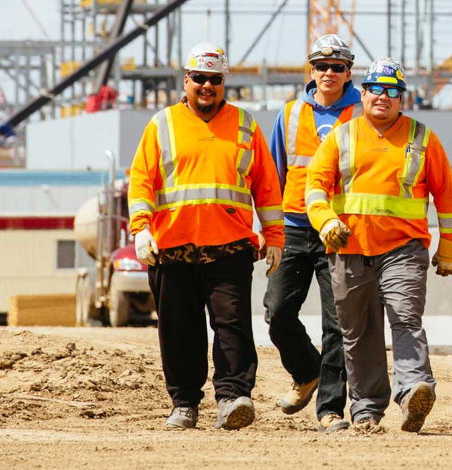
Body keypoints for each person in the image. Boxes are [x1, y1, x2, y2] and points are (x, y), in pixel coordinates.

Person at [128, 42, 284, 430]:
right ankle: (184, 403)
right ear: (186, 80)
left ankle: (233, 398)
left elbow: (266, 185)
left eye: (215, 79)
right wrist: (141, 229)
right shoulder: (161, 124)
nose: (207, 86)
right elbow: (142, 182)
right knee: (179, 329)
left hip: (229, 247)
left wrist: (275, 236)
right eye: (199, 78)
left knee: (232, 326)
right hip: (172, 249)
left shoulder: (245, 125)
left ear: (223, 82)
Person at [305, 57, 452, 433]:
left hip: (404, 249)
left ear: (402, 98)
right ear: (362, 93)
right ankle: (365, 411)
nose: (383, 96)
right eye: (375, 88)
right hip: (349, 249)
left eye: (392, 90)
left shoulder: (422, 138)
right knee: (358, 333)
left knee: (405, 318)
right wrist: (326, 222)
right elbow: (314, 186)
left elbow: (447, 196)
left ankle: (413, 391)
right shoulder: (341, 137)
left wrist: (450, 249)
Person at [264, 34, 358, 433]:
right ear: (312, 71)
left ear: (348, 72)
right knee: (277, 312)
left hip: (339, 231)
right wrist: (269, 232)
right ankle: (307, 371)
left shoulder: (361, 114)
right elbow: (273, 176)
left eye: (337, 67)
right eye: (322, 66)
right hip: (293, 228)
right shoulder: (289, 115)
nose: (329, 73)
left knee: (337, 324)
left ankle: (330, 409)